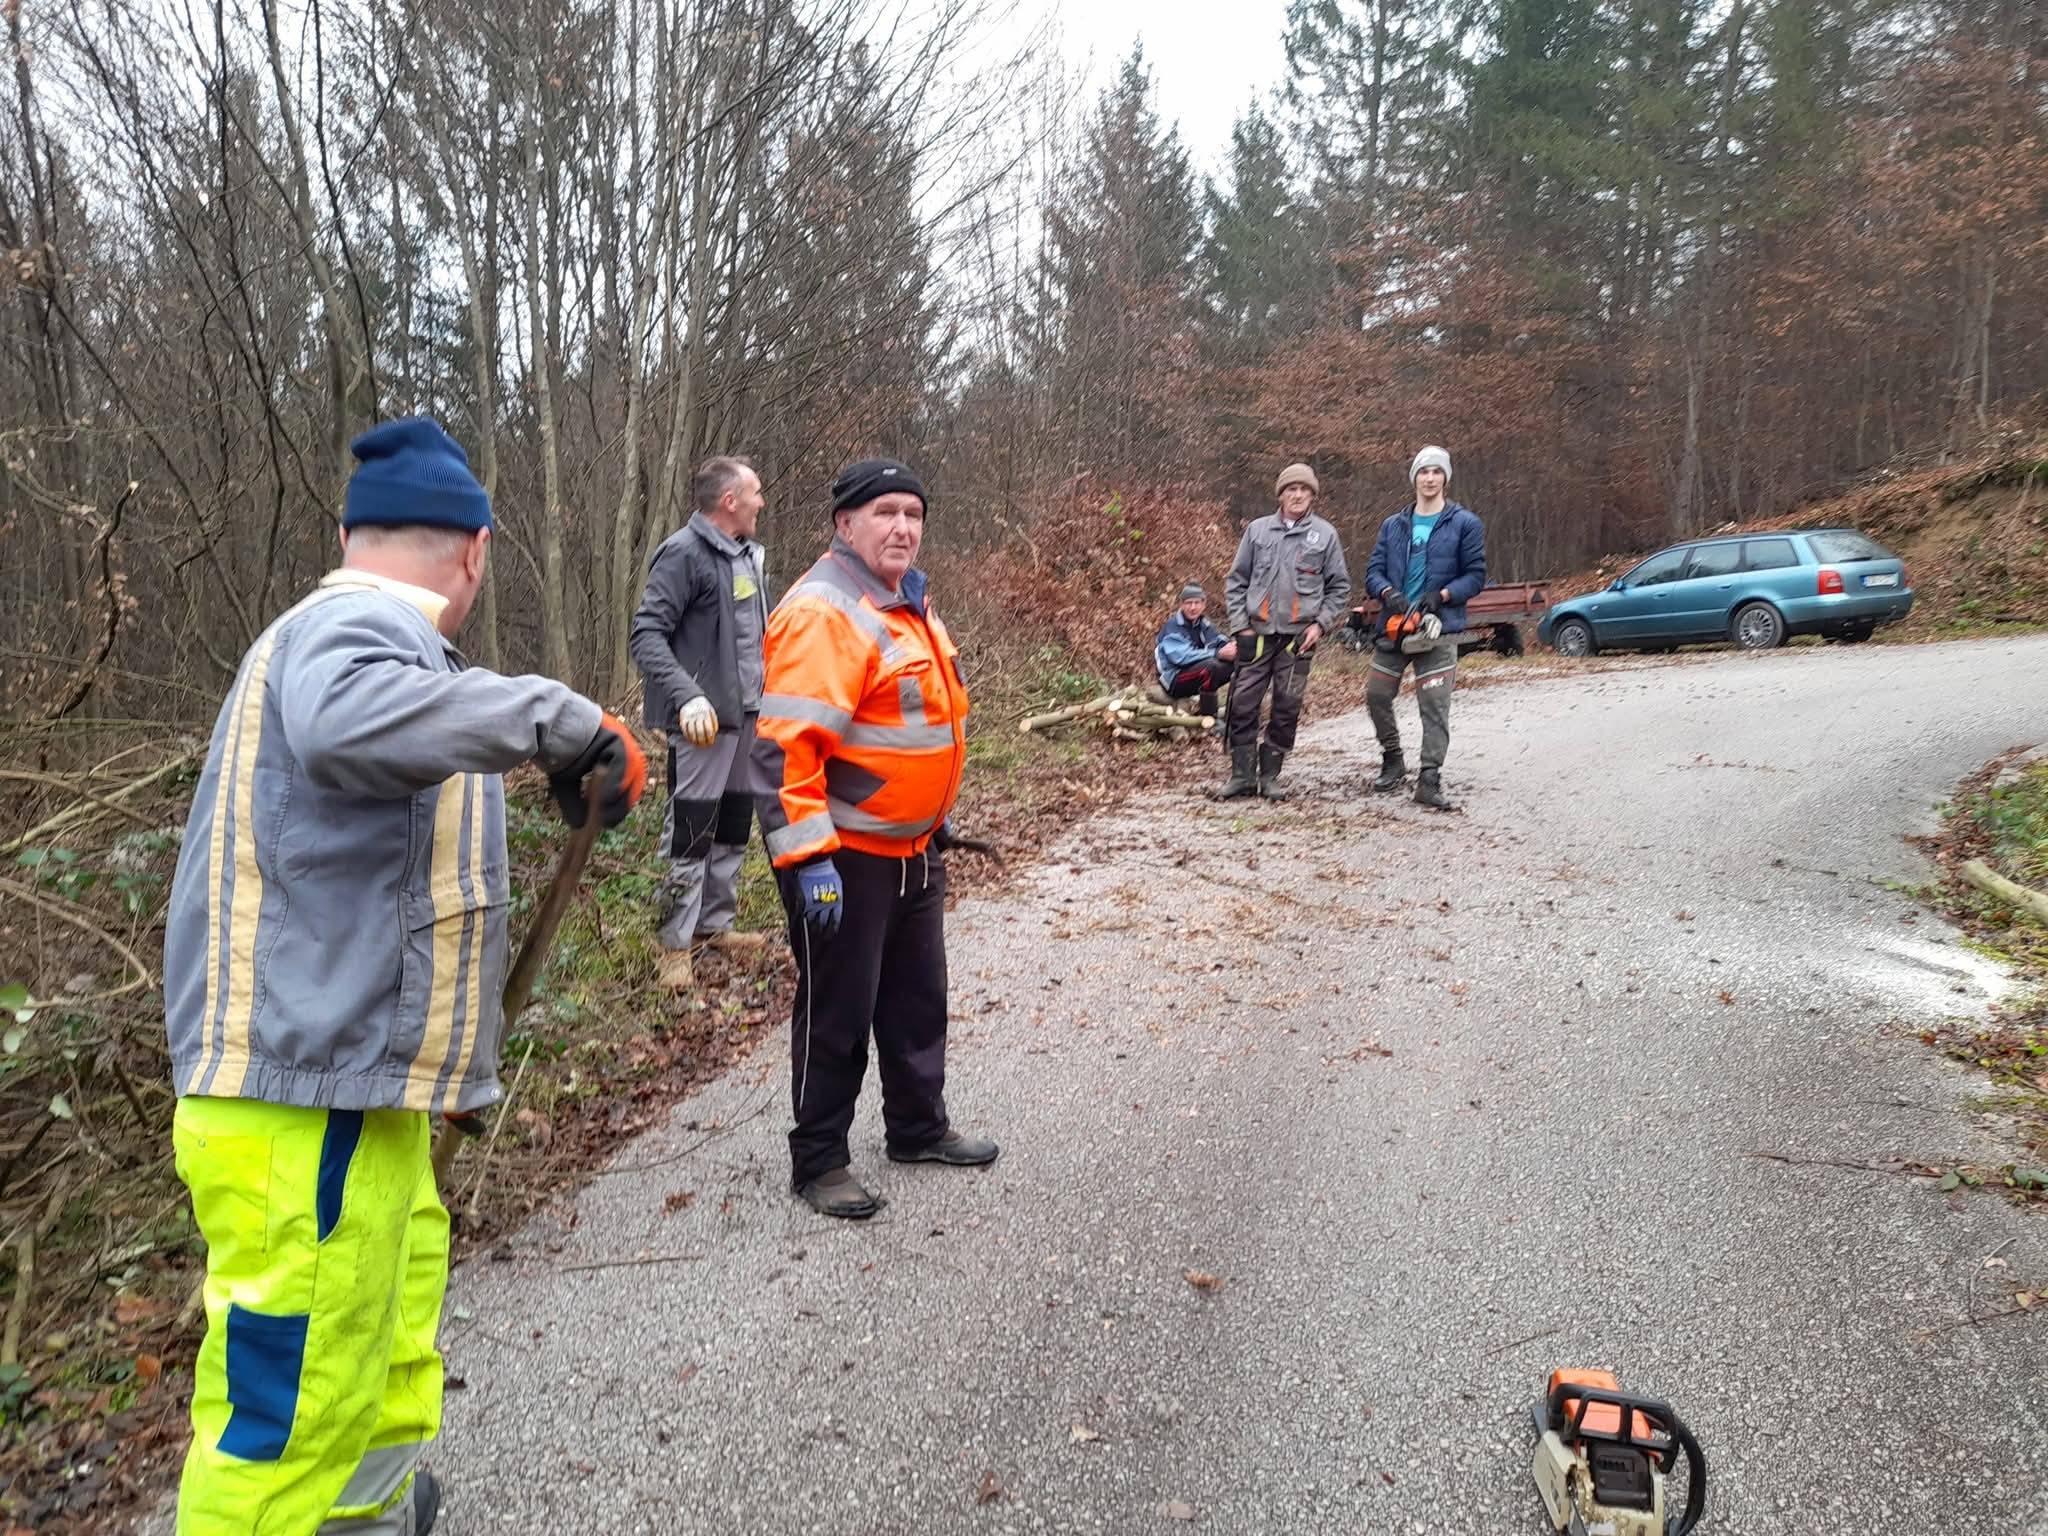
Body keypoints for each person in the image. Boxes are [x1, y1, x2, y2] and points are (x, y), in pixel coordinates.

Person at [164, 418, 647, 1535]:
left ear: (345, 529)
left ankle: (368, 1519)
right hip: (300, 1103)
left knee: (371, 1358)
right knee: (282, 1418)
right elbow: (341, 728)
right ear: (476, 550)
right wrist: (550, 717)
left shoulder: (403, 663)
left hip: (358, 1095)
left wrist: (559, 773)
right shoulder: (348, 630)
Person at [753, 457, 998, 1220]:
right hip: (844, 859)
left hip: (913, 851)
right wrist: (809, 860)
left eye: (913, 514)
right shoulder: (826, 612)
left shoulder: (906, 603)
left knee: (916, 1001)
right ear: (845, 524)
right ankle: (819, 1159)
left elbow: (907, 727)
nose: (902, 527)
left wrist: (930, 813)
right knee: (837, 1013)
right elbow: (784, 751)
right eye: (885, 511)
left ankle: (917, 1128)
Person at [629, 456, 773, 991]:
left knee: (735, 821)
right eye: (755, 492)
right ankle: (673, 946)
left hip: (748, 718)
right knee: (691, 828)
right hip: (702, 724)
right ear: (730, 500)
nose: (762, 501)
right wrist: (688, 698)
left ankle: (715, 927)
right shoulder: (683, 553)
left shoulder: (746, 556)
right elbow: (646, 635)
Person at [1215, 462, 1351, 800]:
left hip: (1298, 641)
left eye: (1304, 490)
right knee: (1242, 703)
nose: (1298, 495)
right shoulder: (1258, 531)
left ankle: (1271, 776)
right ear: (1281, 494)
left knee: (1286, 706)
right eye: (1292, 489)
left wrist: (1321, 624)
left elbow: (1339, 588)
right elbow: (1236, 582)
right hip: (1256, 637)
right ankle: (1242, 776)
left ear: (1312, 495)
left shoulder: (1325, 535)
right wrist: (1240, 627)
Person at [1363, 445, 1488, 810]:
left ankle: (1429, 777)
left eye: (1437, 472)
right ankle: (1393, 758)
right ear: (1414, 478)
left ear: (1445, 478)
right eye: (1423, 471)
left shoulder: (1465, 523)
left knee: (1434, 704)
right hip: (1396, 625)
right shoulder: (1394, 525)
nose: (1430, 478)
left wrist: (1444, 594)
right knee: (1376, 695)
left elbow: (1476, 575)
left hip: (1439, 626)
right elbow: (1373, 571)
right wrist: (1388, 593)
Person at [1151, 582, 1237, 718]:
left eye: (1197, 603)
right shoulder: (1173, 627)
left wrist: (1233, 647)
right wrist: (1218, 653)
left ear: (1203, 604)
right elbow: (1182, 657)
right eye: (1188, 603)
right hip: (1173, 680)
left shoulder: (1203, 624)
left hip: (1192, 673)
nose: (1193, 607)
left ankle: (1233, 715)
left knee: (1237, 663)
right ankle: (1209, 717)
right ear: (1181, 604)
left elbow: (1218, 640)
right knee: (1211, 667)